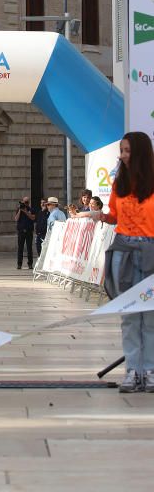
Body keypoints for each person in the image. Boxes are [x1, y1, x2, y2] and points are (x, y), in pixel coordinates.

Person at [101, 132, 154, 393]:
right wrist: (98, 216)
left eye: (127, 150)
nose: (122, 155)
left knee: (151, 316)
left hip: (150, 251)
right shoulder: (118, 184)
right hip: (123, 250)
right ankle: (133, 371)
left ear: (141, 153)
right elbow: (113, 215)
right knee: (130, 315)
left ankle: (150, 370)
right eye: (121, 150)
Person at [14, 196, 35, 269]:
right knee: (20, 248)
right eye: (24, 202)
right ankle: (19, 264)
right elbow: (16, 219)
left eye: (27, 202)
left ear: (29, 202)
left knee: (29, 248)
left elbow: (33, 218)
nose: (25, 204)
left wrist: (26, 211)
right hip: (21, 232)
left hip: (29, 231)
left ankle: (30, 264)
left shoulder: (31, 209)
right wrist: (20, 210)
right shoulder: (18, 209)